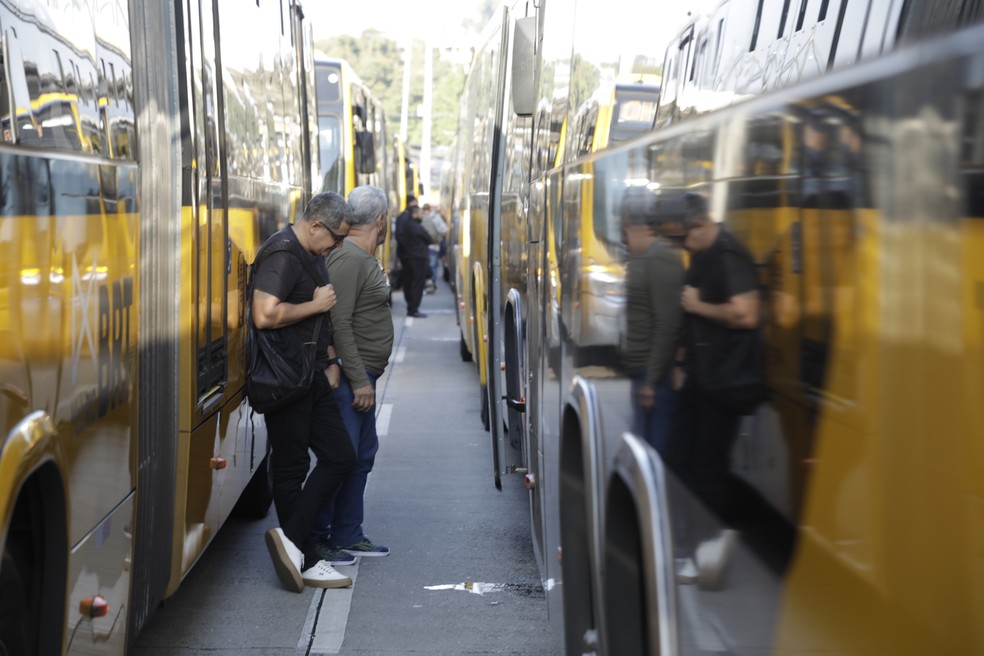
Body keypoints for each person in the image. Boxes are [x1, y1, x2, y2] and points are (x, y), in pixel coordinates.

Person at [252, 191, 357, 592]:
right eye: (336, 237)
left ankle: (291, 540)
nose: (339, 246)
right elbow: (264, 315)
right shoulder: (282, 253)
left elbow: (321, 319)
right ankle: (306, 556)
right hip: (284, 377)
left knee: (340, 456)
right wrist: (313, 307)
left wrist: (330, 360)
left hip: (310, 373)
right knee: (292, 468)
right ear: (315, 225)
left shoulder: (313, 253)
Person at [668, 192, 764, 590]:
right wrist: (678, 363)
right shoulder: (703, 256)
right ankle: (696, 547)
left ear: (702, 225)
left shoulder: (727, 254)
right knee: (682, 460)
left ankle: (706, 554)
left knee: (708, 469)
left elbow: (746, 313)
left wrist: (697, 307)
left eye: (684, 238)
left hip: (723, 382)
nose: (681, 246)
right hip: (701, 379)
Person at [309, 185, 394, 564]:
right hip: (350, 379)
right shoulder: (350, 260)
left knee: (361, 456)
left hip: (362, 377)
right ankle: (318, 536)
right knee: (341, 457)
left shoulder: (361, 257)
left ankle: (348, 533)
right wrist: (357, 378)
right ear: (381, 220)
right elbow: (337, 323)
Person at [620, 187, 686, 454]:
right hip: (641, 374)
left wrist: (651, 382)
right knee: (643, 453)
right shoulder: (639, 256)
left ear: (627, 220)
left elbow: (667, 325)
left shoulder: (660, 257)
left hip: (654, 379)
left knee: (654, 458)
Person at [398, 204, 432, 317]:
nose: (422, 216)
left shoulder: (406, 225)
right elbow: (429, 238)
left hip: (408, 258)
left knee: (409, 282)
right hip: (418, 259)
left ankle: (411, 307)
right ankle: (414, 309)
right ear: (414, 214)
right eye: (420, 213)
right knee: (418, 284)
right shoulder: (416, 227)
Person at [420, 204, 448, 292]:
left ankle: (426, 283)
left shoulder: (420, 218)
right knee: (433, 265)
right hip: (434, 245)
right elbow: (444, 230)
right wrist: (439, 235)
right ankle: (431, 283)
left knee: (424, 265)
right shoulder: (436, 218)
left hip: (422, 246)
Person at [393, 195, 418, 291]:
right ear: (410, 203)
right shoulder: (406, 217)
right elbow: (400, 235)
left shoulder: (404, 216)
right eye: (415, 202)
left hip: (407, 251)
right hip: (408, 252)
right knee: (409, 275)